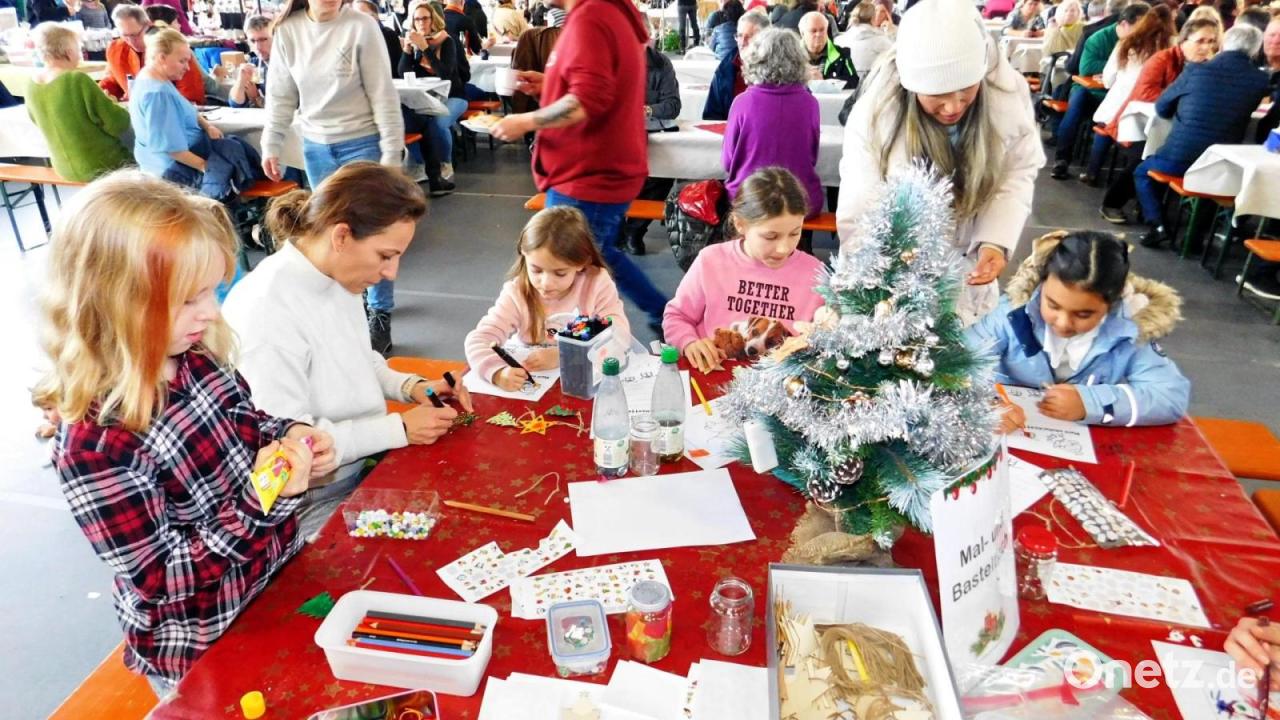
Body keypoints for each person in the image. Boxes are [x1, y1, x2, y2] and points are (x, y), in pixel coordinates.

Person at [35, 170, 335, 692]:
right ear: (115, 301)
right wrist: (264, 499)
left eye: (212, 291)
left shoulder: (194, 356)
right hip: (202, 643)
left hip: (276, 583)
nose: (211, 312)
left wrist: (293, 434)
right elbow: (161, 580)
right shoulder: (96, 444)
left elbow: (249, 424)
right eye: (189, 300)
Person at [222, 163, 465, 539]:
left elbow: (359, 357)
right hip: (309, 502)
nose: (391, 272)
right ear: (341, 236)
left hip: (362, 463)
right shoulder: (267, 312)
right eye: (385, 255)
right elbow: (292, 447)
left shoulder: (336, 276)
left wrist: (412, 387)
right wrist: (398, 427)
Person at [838, 0, 1045, 326]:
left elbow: (1016, 172)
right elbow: (861, 208)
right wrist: (873, 284)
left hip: (968, 268)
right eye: (938, 94)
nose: (953, 107)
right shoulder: (876, 117)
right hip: (897, 278)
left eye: (966, 92)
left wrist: (995, 240)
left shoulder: (1005, 96)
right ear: (911, 86)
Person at [489, 0, 670, 338]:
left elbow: (589, 99)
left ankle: (567, 341)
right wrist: (552, 83)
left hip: (589, 172)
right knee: (596, 254)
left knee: (566, 261)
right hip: (597, 169)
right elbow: (597, 85)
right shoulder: (606, 13)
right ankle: (660, 314)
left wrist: (525, 120)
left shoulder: (593, 16)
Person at [265, 0, 405, 354]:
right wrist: (272, 143)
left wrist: (391, 156)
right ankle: (348, 311)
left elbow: (383, 94)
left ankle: (380, 313)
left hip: (363, 142)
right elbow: (280, 94)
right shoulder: (288, 31)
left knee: (372, 233)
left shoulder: (361, 26)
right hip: (315, 145)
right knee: (331, 234)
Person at [968, 231, 1190, 432]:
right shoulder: (1013, 314)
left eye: (1083, 314)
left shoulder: (1130, 331)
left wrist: (1090, 403)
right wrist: (985, 403)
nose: (1063, 323)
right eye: (1053, 305)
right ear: (1041, 286)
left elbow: (1170, 396)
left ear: (1112, 305)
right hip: (1009, 437)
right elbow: (959, 360)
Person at [663, 167, 826, 373]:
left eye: (795, 233)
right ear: (740, 224)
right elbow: (677, 316)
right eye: (771, 237)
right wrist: (689, 342)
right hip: (714, 376)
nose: (784, 248)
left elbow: (826, 338)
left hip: (780, 387)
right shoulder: (711, 260)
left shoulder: (815, 273)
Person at [465, 206, 632, 391]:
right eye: (536, 270)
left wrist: (565, 354)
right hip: (535, 387)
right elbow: (479, 339)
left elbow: (618, 334)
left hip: (583, 386)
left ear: (581, 263)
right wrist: (496, 373)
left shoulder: (595, 283)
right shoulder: (517, 292)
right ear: (524, 254)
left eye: (560, 273)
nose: (546, 283)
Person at [1134, 24, 1269, 247]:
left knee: (1142, 171)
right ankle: (1194, 239)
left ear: (1223, 43)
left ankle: (1157, 224)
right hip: (1221, 162)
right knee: (1212, 181)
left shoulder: (1196, 70)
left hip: (1180, 157)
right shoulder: (1260, 81)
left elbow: (1162, 108)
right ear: (1255, 50)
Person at [1098, 16, 1219, 221]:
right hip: (1137, 124)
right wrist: (1184, 102)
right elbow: (1145, 93)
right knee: (1142, 155)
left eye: (1211, 42)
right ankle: (1111, 203)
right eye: (1200, 41)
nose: (1205, 47)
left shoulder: (1209, 68)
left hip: (1179, 128)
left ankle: (1148, 205)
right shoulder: (1162, 59)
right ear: (1184, 40)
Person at [724, 27, 823, 224]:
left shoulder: (742, 102)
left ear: (756, 59)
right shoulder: (810, 103)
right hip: (800, 198)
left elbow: (728, 162)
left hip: (750, 199)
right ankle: (802, 244)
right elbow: (812, 157)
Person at [1051, 1, 1151, 180]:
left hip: (1119, 95)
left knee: (1122, 108)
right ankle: (1062, 159)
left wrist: (1117, 70)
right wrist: (1125, 67)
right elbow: (1086, 68)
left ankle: (1098, 171)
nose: (1143, 33)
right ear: (1123, 25)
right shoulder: (1098, 37)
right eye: (1139, 27)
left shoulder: (1146, 43)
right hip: (1090, 92)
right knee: (1077, 103)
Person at [1079, 5, 1175, 184]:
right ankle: (1132, 182)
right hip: (1155, 108)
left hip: (1121, 106)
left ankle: (1092, 172)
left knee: (1105, 124)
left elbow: (1108, 79)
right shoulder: (1172, 49)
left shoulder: (1128, 43)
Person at [25, 23, 133, 183]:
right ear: (68, 52)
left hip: (63, 167)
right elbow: (118, 122)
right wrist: (110, 102)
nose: (80, 53)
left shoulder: (30, 84)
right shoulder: (76, 80)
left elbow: (35, 119)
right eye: (78, 48)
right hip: (102, 164)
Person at [128, 30, 231, 193]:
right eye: (182, 61)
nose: (187, 67)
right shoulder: (157, 93)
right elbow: (173, 150)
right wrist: (209, 169)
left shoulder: (153, 78)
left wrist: (207, 126)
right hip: (173, 173)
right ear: (162, 57)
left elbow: (187, 108)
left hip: (170, 165)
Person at [621, 42, 682, 255]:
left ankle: (633, 231)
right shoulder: (610, 61)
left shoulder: (661, 63)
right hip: (618, 135)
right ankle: (620, 229)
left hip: (653, 133)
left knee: (663, 176)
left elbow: (673, 105)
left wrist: (646, 110)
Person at [400, 0, 469, 179]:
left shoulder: (447, 41)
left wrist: (424, 48)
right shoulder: (414, 44)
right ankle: (419, 163)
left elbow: (445, 74)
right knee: (408, 121)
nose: (421, 23)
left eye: (425, 18)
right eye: (417, 19)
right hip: (427, 98)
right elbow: (403, 73)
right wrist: (408, 50)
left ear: (433, 20)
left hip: (455, 96)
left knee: (438, 122)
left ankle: (445, 163)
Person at [101, 3, 206, 102]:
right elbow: (113, 80)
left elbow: (191, 93)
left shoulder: (171, 46)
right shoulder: (115, 49)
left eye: (135, 35)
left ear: (148, 25)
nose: (131, 42)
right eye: (125, 36)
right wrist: (102, 94)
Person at [703, 11, 770, 120]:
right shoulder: (724, 69)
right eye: (739, 35)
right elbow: (711, 115)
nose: (742, 42)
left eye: (750, 37)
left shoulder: (780, 70)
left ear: (766, 40)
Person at [836, 1, 893, 83]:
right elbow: (896, 59)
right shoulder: (882, 42)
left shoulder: (838, 41)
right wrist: (891, 34)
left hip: (844, 88)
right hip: (872, 89)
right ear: (873, 18)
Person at [798, 11, 858, 88]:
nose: (818, 34)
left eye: (822, 30)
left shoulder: (842, 54)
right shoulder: (791, 56)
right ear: (802, 33)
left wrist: (824, 83)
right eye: (813, 31)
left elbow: (853, 81)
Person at [230, 14, 273, 108]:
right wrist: (240, 82)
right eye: (253, 41)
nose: (258, 47)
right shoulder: (255, 64)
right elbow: (235, 104)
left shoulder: (289, 64)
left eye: (263, 39)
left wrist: (256, 98)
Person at [354, 0, 404, 74]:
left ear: (376, 18)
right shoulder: (351, 37)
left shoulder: (388, 35)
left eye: (363, 16)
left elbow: (394, 69)